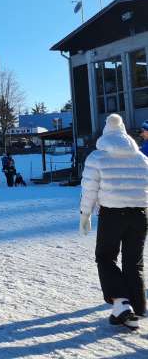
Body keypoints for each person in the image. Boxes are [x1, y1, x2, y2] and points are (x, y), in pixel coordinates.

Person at [80, 114, 148, 330]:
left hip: (112, 215)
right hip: (140, 214)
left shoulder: (97, 157)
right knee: (133, 261)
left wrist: (85, 214)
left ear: (105, 133)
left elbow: (89, 189)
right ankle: (137, 308)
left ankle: (121, 304)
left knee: (105, 257)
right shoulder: (142, 159)